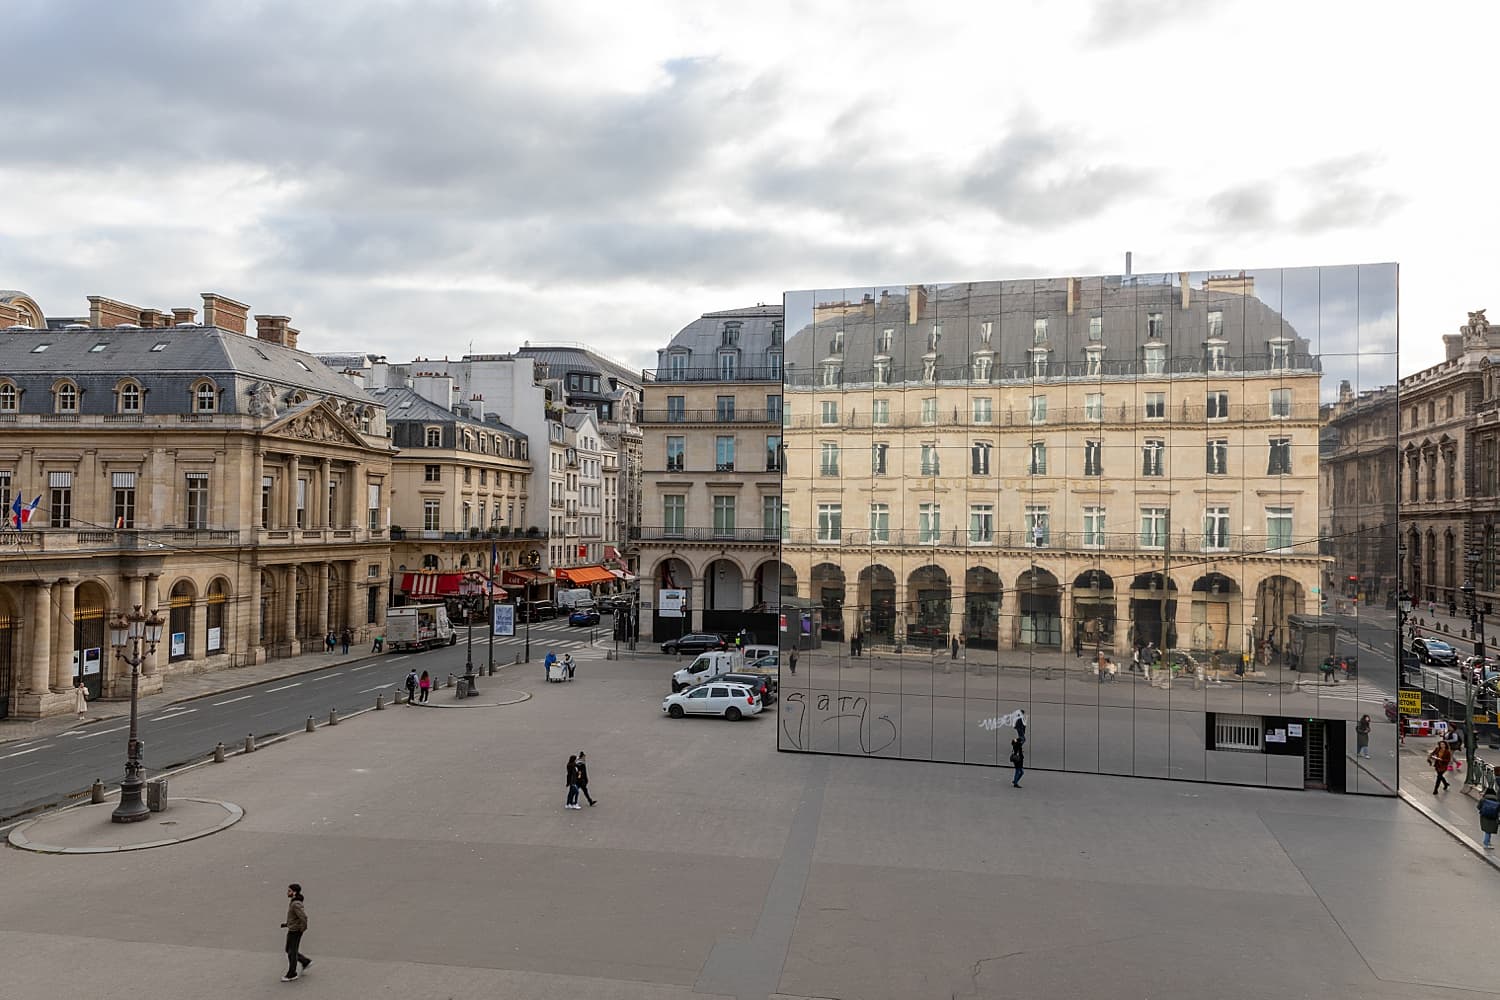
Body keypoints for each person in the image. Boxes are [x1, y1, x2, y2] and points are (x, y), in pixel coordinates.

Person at [279, 883, 311, 981]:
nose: (287, 892)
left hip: (295, 931)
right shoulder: (294, 902)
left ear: (294, 892)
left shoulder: (296, 904)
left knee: (291, 952)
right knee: (289, 950)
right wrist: (287, 924)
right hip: (293, 929)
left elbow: (303, 917)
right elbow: (295, 917)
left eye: (289, 891)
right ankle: (305, 961)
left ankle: (292, 974)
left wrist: (302, 928)